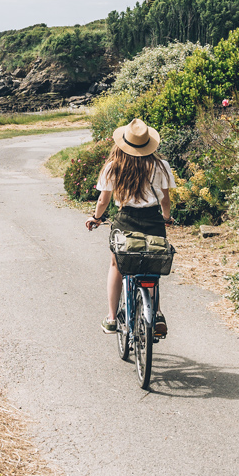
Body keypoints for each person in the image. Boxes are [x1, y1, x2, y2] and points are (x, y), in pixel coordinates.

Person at [85, 118, 175, 339]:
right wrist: (167, 218)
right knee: (151, 268)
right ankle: (157, 314)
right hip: (153, 221)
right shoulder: (160, 166)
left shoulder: (113, 167)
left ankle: (112, 318)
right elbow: (165, 200)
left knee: (117, 265)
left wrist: (96, 218)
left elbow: (103, 201)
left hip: (126, 220)